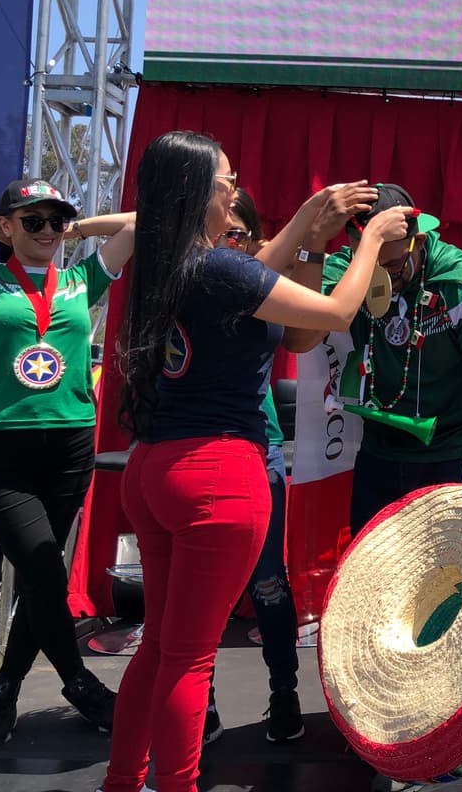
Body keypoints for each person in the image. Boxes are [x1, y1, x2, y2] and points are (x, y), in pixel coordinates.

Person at [100, 131, 410, 792]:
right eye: (226, 182)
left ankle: (123, 782)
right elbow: (333, 312)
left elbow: (273, 295)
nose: (235, 192)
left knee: (159, 648)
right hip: (217, 474)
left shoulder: (177, 265)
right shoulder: (218, 267)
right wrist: (367, 243)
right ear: (195, 194)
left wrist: (304, 231)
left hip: (153, 469)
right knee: (187, 659)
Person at [0, 181, 134, 748]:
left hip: (67, 446)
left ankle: (4, 690)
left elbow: (141, 224)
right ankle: (80, 682)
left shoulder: (79, 279)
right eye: (31, 220)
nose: (46, 231)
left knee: (41, 577)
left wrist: (79, 229)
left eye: (54, 221)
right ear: (8, 227)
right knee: (43, 571)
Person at [281, 183, 462, 539]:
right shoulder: (349, 269)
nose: (384, 280)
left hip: (455, 455)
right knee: (378, 581)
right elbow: (299, 339)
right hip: (380, 456)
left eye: (394, 265)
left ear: (420, 242)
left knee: (452, 585)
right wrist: (315, 243)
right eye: (372, 266)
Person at [200, 187, 310, 746]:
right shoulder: (192, 281)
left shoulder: (263, 285)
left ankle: (284, 692)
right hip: (200, 450)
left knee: (268, 583)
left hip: (259, 449)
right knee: (205, 593)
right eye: (216, 235)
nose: (225, 245)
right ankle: (204, 704)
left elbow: (312, 333)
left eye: (237, 235)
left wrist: (308, 250)